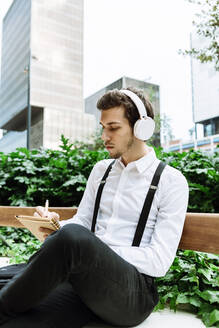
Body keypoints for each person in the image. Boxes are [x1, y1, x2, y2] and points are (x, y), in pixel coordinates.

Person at [0, 87, 189, 328]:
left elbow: (159, 261)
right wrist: (57, 227)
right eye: (103, 128)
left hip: (133, 295)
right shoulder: (101, 171)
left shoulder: (170, 181)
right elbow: (82, 222)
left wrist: (88, 249)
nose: (104, 137)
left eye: (113, 128)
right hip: (84, 282)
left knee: (71, 239)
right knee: (18, 307)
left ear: (141, 128)